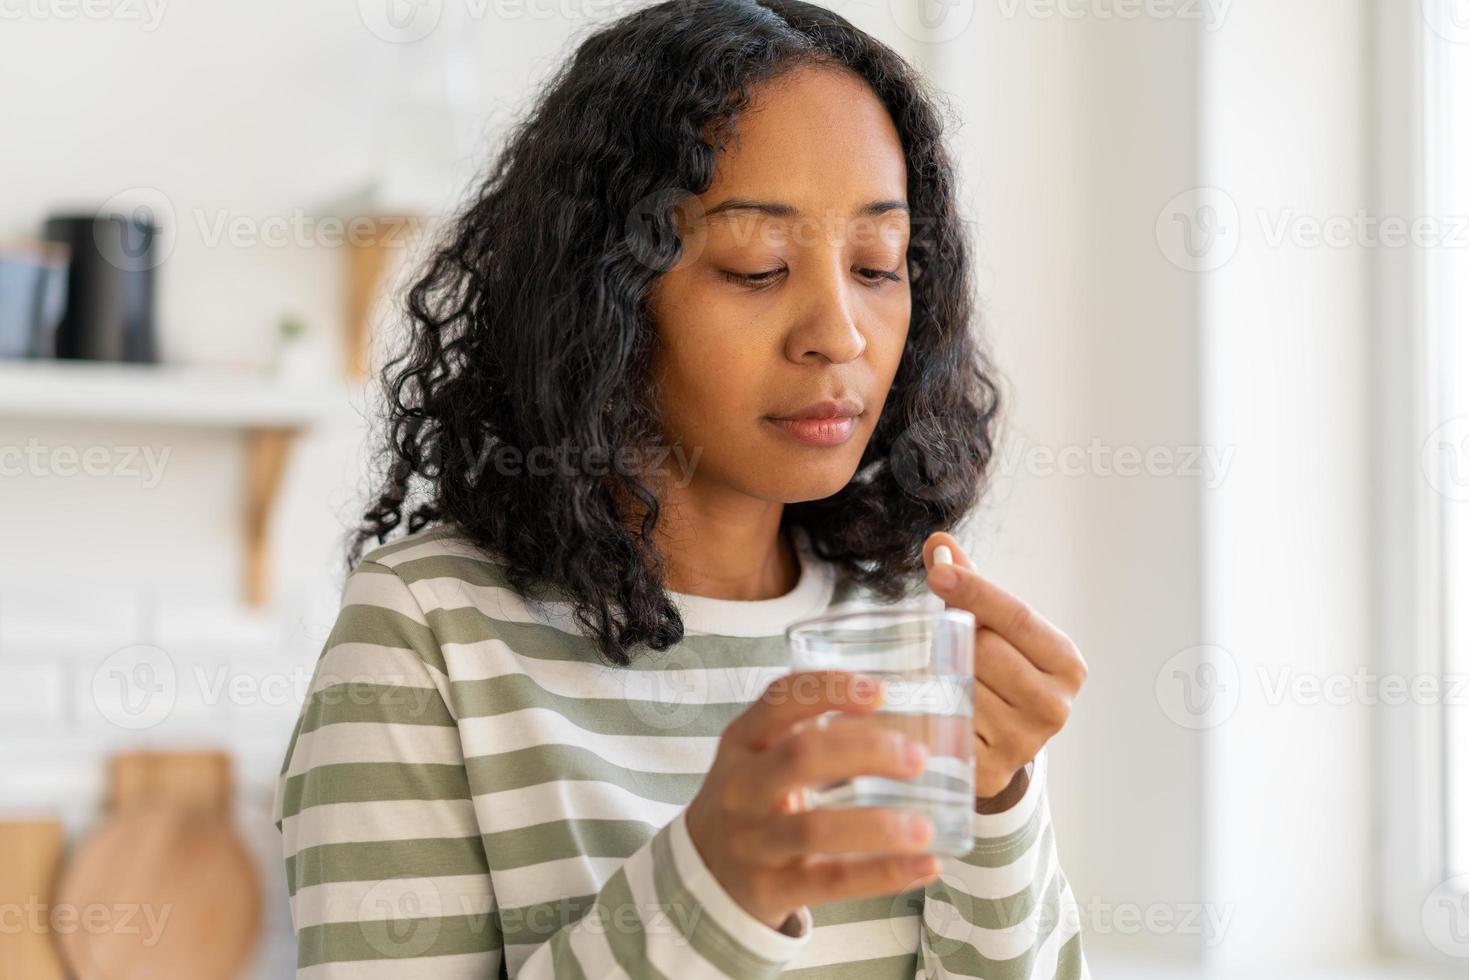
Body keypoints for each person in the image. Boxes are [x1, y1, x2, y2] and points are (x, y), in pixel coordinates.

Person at [273, 1, 1090, 976]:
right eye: (757, 266)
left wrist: (999, 799)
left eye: (879, 263)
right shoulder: (430, 630)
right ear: (603, 294)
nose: (839, 332)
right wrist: (713, 884)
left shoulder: (905, 620)